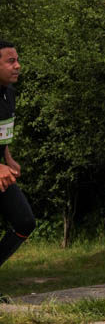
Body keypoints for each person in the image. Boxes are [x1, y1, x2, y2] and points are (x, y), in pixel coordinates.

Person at [0, 41, 36, 278]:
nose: (17, 66)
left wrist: (8, 157)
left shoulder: (9, 92)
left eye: (18, 60)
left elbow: (3, 131)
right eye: (10, 61)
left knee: (25, 222)